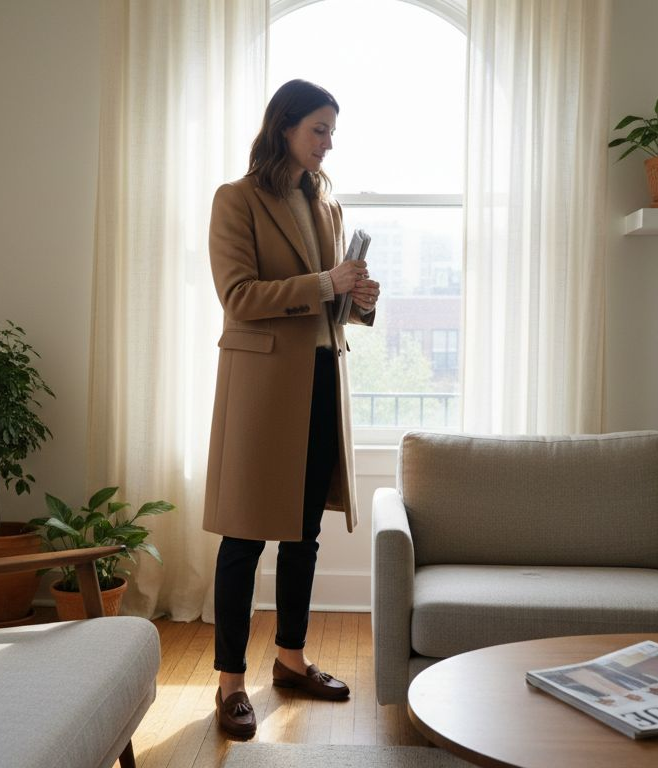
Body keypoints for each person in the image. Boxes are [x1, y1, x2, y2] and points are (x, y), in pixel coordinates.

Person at [202, 79, 381, 739]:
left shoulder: (325, 204)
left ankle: (291, 660)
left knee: (303, 535)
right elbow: (239, 297)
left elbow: (328, 306)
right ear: (284, 127)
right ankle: (227, 684)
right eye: (319, 130)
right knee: (244, 538)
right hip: (261, 394)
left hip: (318, 385)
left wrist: (357, 298)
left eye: (332, 132)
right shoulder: (236, 200)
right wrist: (323, 283)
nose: (328, 143)